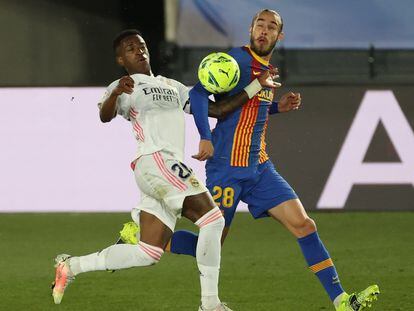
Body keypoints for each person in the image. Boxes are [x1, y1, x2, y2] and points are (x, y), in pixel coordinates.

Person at [119, 9, 380, 311]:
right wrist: (205, 135)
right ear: (251, 29)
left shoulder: (265, 69)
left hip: (260, 168)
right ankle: (144, 236)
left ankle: (341, 301)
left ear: (279, 36)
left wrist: (278, 107)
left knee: (304, 225)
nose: (264, 31)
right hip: (227, 168)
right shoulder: (237, 60)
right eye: (260, 25)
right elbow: (202, 95)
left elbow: (250, 110)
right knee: (212, 242)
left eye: (271, 27)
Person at [51, 29, 278, 311]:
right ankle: (210, 305)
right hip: (156, 159)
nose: (139, 50)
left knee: (148, 253)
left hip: (163, 169)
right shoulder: (125, 85)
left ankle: (70, 266)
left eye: (142, 45)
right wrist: (117, 92)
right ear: (121, 58)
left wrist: (257, 85)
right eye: (130, 48)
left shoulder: (173, 85)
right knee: (213, 220)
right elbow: (104, 116)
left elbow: (218, 110)